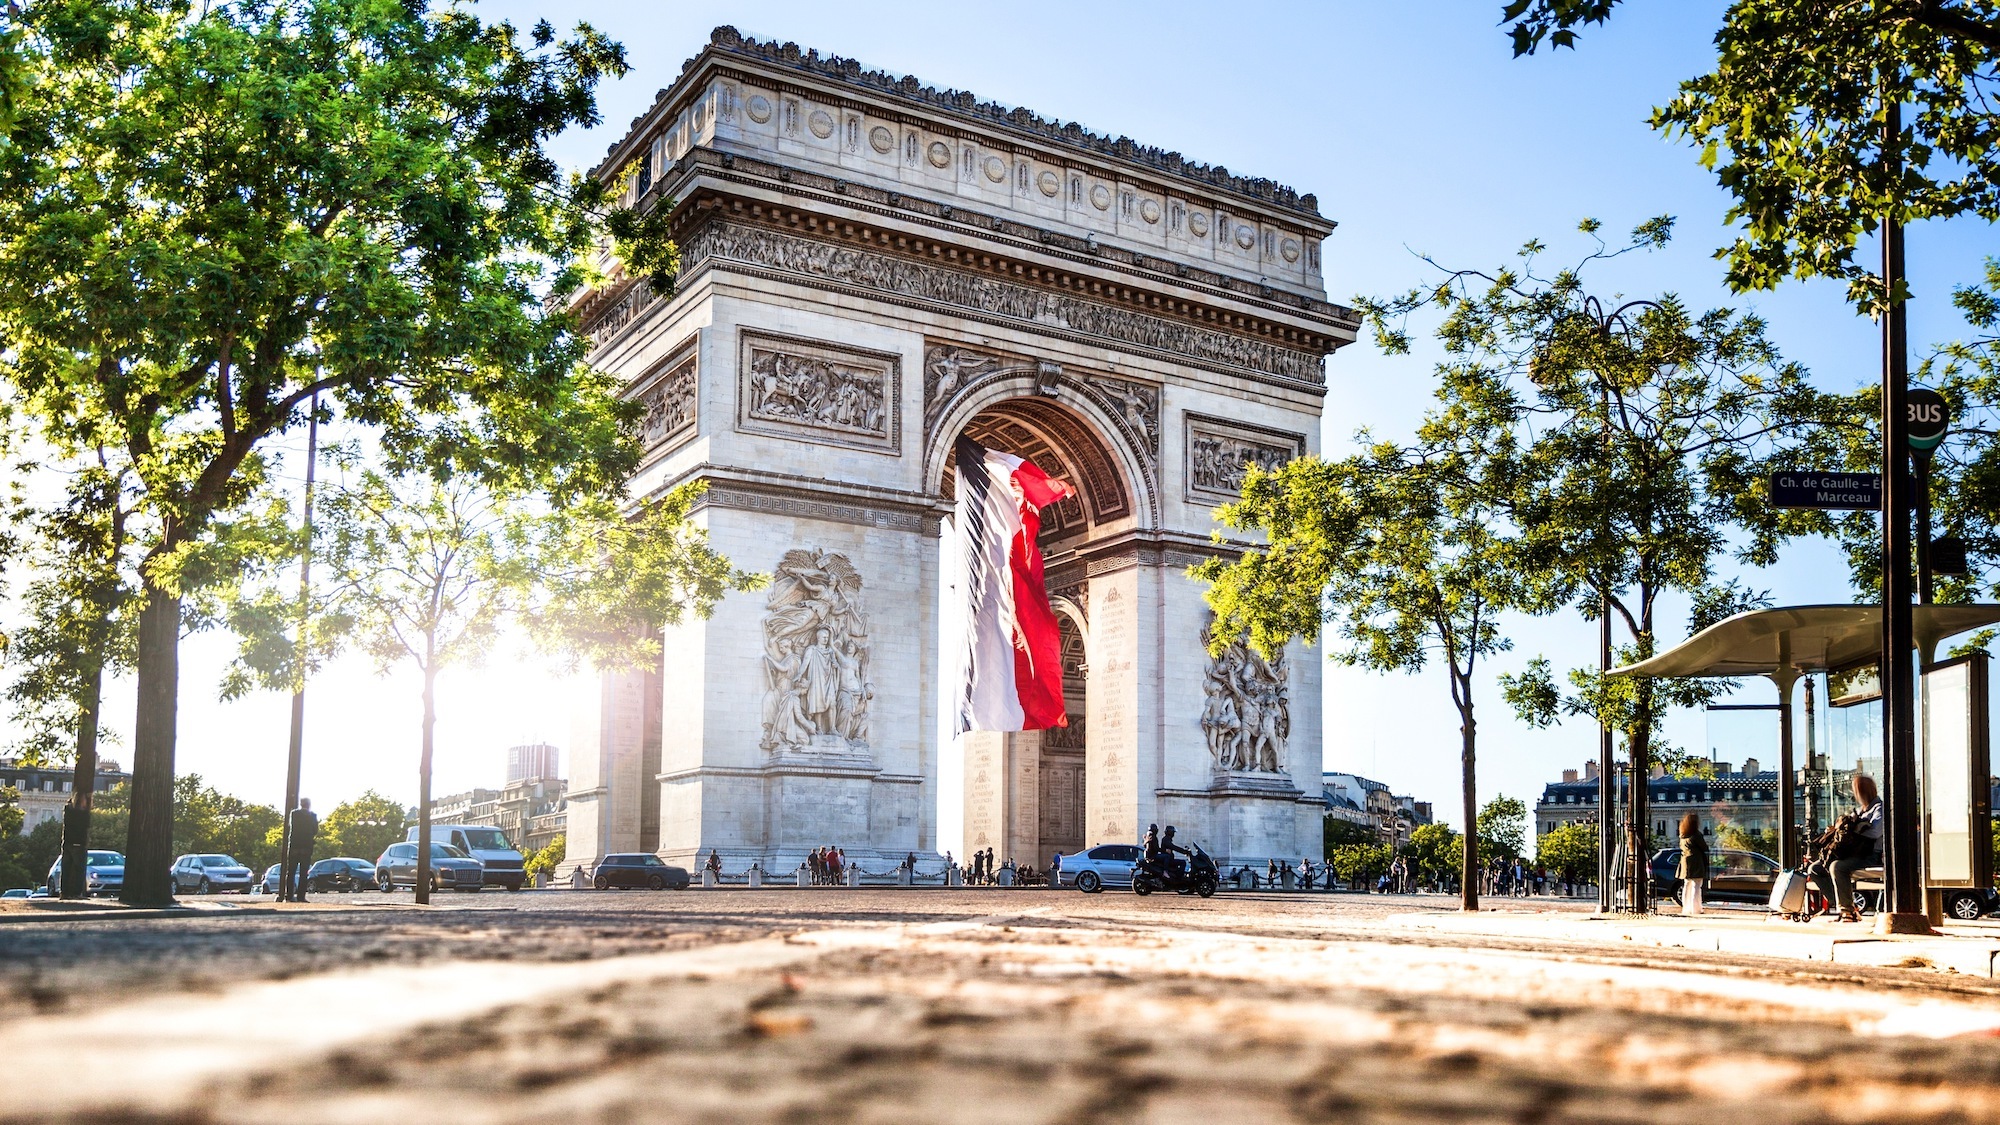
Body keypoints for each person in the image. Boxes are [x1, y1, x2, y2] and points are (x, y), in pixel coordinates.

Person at [1811, 775, 1884, 923]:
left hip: (1870, 854)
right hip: (1854, 853)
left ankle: (1847, 911)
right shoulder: (1859, 811)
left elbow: (1876, 832)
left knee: (1837, 867)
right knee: (1815, 869)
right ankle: (1847, 906)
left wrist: (1854, 831)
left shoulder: (1879, 809)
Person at [284, 798, 318, 902]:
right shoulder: (313, 816)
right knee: (304, 873)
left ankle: (289, 896)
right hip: (307, 847)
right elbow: (315, 830)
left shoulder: (294, 814)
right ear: (309, 805)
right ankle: (301, 896)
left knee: (291, 872)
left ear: (301, 804)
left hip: (294, 846)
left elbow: (292, 827)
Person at [1677, 812, 1710, 917]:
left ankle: (1686, 908)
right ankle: (1696, 908)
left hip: (1685, 861)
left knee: (1687, 885)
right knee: (1697, 885)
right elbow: (1704, 847)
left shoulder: (1682, 835)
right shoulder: (1696, 835)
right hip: (1696, 861)